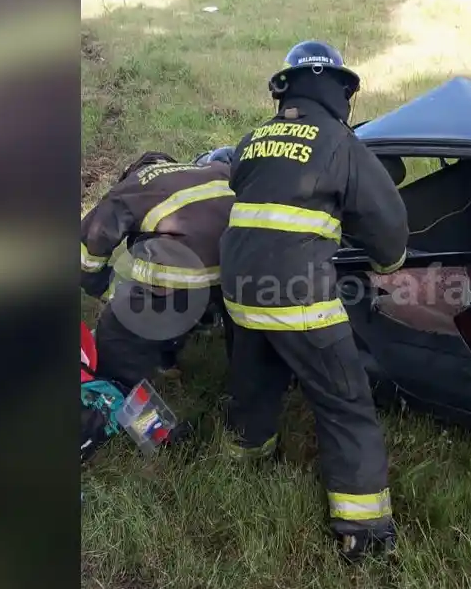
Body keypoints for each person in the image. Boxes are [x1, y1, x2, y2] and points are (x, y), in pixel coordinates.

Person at [219, 40, 410, 563]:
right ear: (341, 91)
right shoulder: (339, 143)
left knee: (254, 375)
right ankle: (363, 531)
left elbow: (259, 193)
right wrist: (389, 266)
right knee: (346, 403)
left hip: (239, 290)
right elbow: (386, 222)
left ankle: (244, 455)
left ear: (285, 90)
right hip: (297, 297)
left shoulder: (252, 138)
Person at [80, 147, 237, 394]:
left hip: (182, 276)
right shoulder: (213, 169)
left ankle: (113, 396)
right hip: (239, 268)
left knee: (115, 334)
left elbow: (88, 250)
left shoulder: (133, 185)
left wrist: (105, 288)